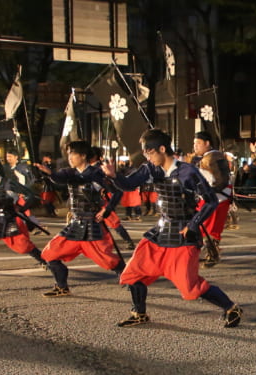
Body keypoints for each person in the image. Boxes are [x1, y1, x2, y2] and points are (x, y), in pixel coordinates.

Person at [106, 128, 243, 329]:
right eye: (145, 153)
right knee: (132, 273)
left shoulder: (188, 172)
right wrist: (113, 176)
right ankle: (139, 313)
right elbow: (128, 185)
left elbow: (211, 200)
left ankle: (231, 308)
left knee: (189, 288)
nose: (148, 157)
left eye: (150, 152)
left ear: (162, 149)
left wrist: (194, 224)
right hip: (160, 232)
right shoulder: (150, 169)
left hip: (183, 234)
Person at [33, 141, 124, 297]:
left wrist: (106, 210)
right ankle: (62, 287)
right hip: (75, 224)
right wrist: (48, 172)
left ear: (82, 156)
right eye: (68, 154)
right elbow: (58, 178)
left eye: (72, 154)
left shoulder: (97, 173)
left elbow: (117, 192)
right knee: (49, 254)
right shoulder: (70, 172)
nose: (69, 157)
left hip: (91, 224)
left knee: (108, 260)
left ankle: (131, 279)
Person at [190, 130, 234, 268]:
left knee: (210, 229)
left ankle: (212, 255)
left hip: (216, 198)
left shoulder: (214, 156)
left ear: (207, 143)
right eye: (194, 143)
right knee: (204, 227)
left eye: (198, 143)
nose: (195, 146)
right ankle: (209, 253)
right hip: (211, 197)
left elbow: (222, 179)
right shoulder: (208, 157)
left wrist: (210, 190)